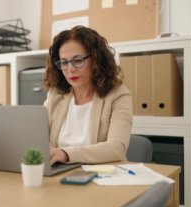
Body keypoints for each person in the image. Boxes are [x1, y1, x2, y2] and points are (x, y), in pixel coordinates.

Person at [44, 26, 133, 165]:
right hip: (60, 174)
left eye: (78, 60)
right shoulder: (55, 96)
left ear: (96, 60)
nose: (70, 69)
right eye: (64, 62)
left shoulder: (118, 95)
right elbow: (38, 139)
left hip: (102, 176)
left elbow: (117, 148)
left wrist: (66, 154)